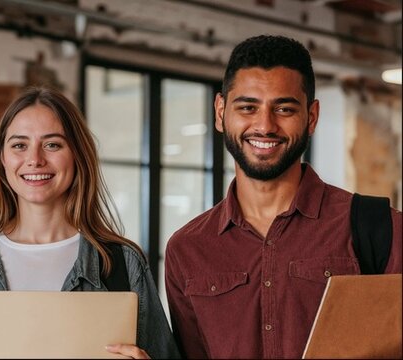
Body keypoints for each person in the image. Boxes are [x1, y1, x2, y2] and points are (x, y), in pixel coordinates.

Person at [164, 34, 403, 359]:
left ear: (312, 117)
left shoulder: (380, 228)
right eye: (248, 107)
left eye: (284, 108)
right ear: (220, 112)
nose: (265, 125)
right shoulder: (187, 249)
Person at [0, 87, 180, 359]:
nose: (35, 159)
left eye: (52, 144)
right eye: (19, 145)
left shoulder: (123, 263)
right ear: (1, 159)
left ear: (77, 155)